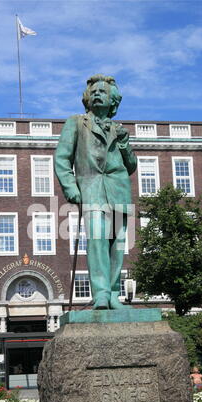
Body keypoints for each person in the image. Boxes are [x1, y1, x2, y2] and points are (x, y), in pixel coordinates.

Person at [55, 74, 137, 310]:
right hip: (91, 188)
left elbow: (131, 166)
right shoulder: (76, 123)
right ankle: (100, 293)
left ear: (113, 102)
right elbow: (62, 157)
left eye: (104, 92)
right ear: (87, 98)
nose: (98, 94)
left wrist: (123, 143)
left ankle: (113, 294)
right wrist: (70, 186)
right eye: (95, 92)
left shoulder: (118, 129)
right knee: (98, 239)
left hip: (118, 189)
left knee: (117, 244)